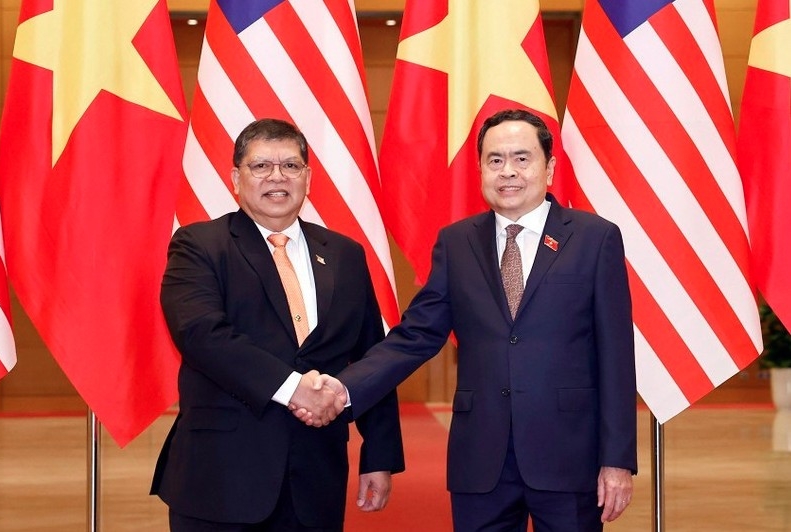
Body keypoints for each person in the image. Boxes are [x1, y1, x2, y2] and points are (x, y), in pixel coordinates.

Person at [303, 109, 637, 531]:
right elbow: (416, 335)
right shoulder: (457, 242)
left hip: (568, 455)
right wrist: (344, 386)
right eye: (495, 160)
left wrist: (617, 461)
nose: (508, 171)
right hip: (481, 458)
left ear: (549, 168)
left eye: (522, 158)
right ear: (480, 169)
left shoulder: (594, 238)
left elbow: (616, 358)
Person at [151, 118, 405, 532]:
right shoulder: (198, 246)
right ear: (236, 178)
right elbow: (201, 334)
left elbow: (370, 356)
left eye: (290, 166)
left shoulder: (345, 254)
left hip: (316, 475)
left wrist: (379, 455)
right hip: (221, 477)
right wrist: (294, 387)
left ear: (307, 177)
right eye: (260, 166)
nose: (277, 177)